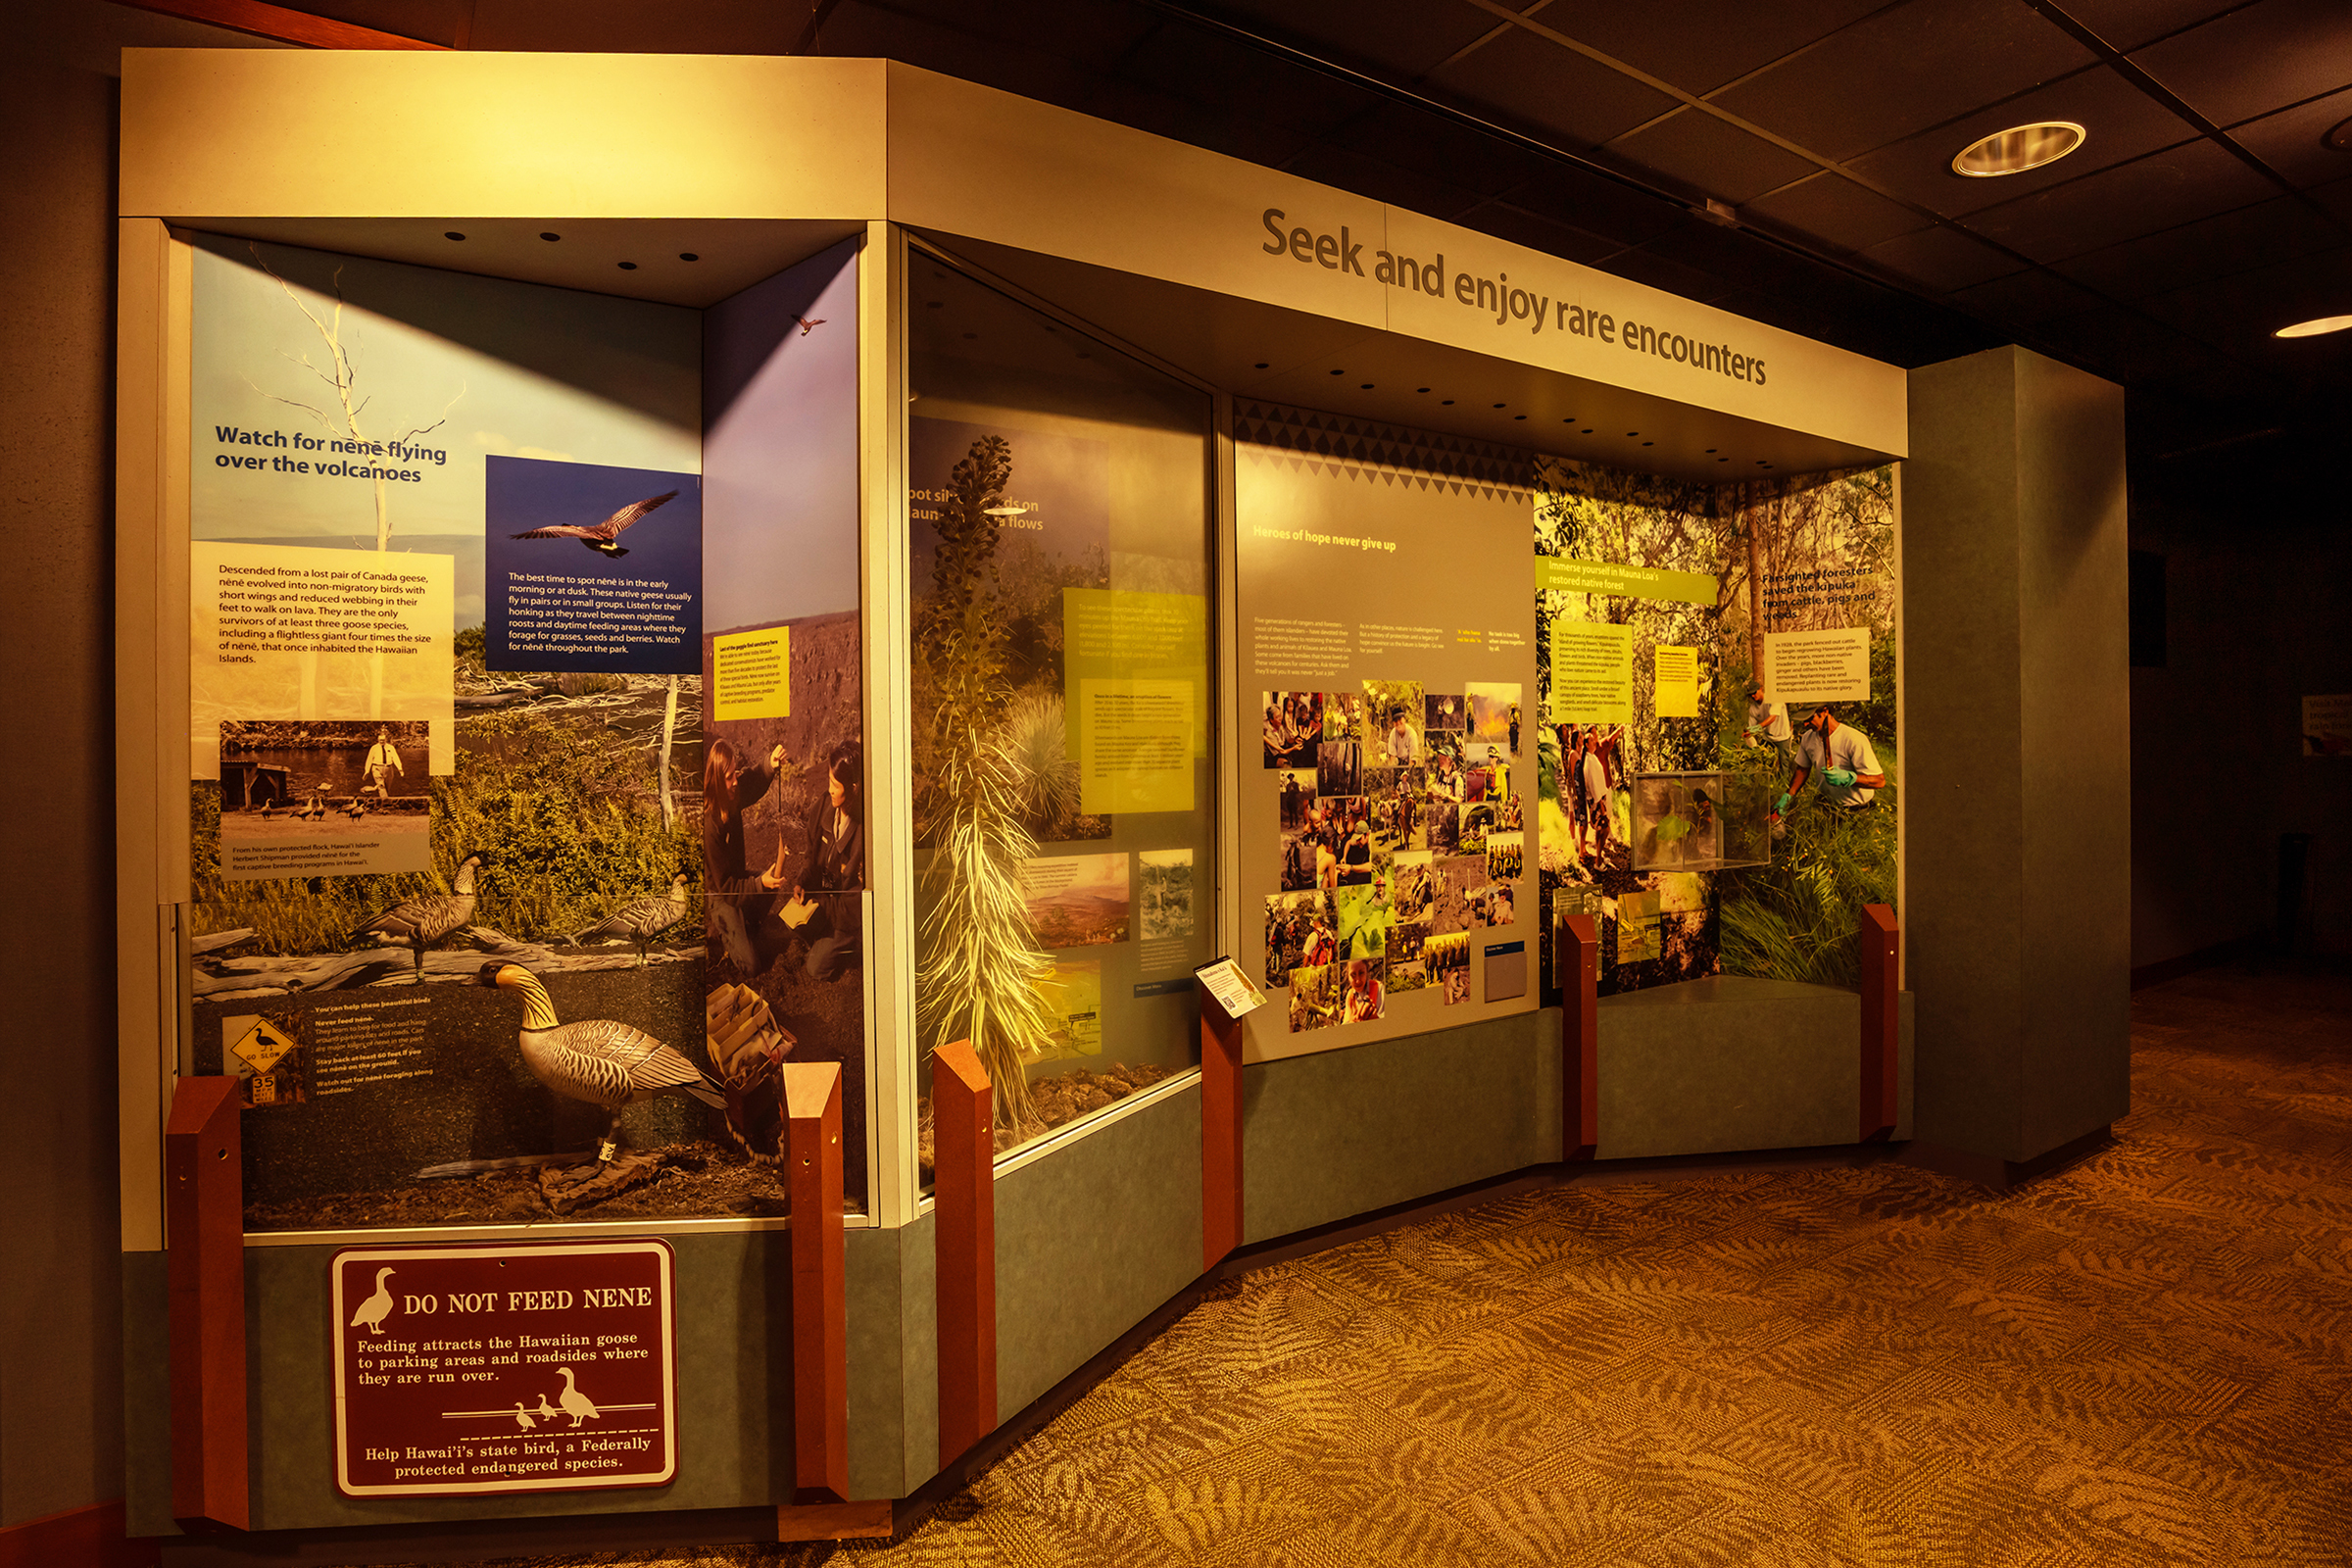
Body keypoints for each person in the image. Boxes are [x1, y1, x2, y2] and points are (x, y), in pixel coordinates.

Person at [703, 736, 789, 973]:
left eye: (735, 773)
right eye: (729, 776)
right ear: (717, 780)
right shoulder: (710, 825)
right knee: (751, 967)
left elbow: (750, 781)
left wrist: (769, 764)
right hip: (722, 896)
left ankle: (745, 927)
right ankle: (722, 929)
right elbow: (727, 888)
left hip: (737, 882)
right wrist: (759, 883)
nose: (735, 781)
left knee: (772, 881)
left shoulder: (730, 795)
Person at [780, 742, 864, 980]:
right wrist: (802, 881)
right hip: (826, 899)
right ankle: (823, 938)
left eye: (836, 786)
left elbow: (854, 906)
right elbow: (811, 856)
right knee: (790, 922)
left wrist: (823, 905)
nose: (830, 790)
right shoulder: (823, 807)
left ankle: (852, 944)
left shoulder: (864, 832)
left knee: (816, 968)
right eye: (829, 781)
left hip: (847, 916)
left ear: (853, 787)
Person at [1778, 705, 1886, 820]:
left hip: (1856, 811)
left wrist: (1850, 778)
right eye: (1804, 720)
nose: (1805, 724)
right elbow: (1802, 769)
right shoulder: (1807, 738)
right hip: (1826, 806)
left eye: (1809, 718)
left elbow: (1879, 781)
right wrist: (1788, 796)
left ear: (1825, 711)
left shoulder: (1854, 739)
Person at [1743, 682, 1792, 751]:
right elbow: (1752, 727)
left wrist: (1759, 726)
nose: (1753, 696)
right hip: (1767, 738)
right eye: (1750, 694)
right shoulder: (1753, 708)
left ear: (1760, 689)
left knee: (1783, 757)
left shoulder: (1773, 698)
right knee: (1763, 756)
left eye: (1754, 692)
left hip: (1782, 737)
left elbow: (1773, 717)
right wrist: (1747, 734)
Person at [362, 726, 404, 797]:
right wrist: (367, 771)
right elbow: (369, 759)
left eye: (383, 740)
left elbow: (395, 758)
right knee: (381, 785)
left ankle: (381, 798)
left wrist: (400, 769)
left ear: (386, 739)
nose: (381, 741)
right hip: (377, 768)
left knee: (387, 787)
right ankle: (385, 802)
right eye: (380, 740)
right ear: (378, 740)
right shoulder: (374, 748)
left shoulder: (390, 747)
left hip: (388, 769)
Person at [1343, 956, 1383, 1022]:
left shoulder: (1379, 988)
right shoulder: (1350, 995)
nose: (1358, 981)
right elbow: (1346, 1022)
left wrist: (1375, 1018)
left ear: (1367, 972)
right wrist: (1352, 1021)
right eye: (1353, 975)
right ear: (1348, 976)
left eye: (1361, 973)